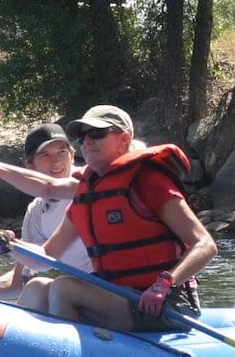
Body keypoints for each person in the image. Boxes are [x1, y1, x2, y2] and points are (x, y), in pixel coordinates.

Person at [22, 104, 219, 331]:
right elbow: (47, 254)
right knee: (37, 288)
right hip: (118, 296)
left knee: (64, 288)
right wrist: (10, 246)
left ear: (124, 139)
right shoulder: (88, 193)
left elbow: (205, 245)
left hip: (165, 303)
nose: (87, 141)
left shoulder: (148, 181)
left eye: (97, 133)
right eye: (82, 136)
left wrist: (164, 283)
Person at [0, 122, 90, 306]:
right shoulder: (36, 213)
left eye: (62, 152)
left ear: (72, 156)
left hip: (115, 291)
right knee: (35, 289)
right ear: (30, 166)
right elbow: (17, 282)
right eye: (46, 155)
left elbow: (50, 187)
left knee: (56, 288)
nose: (56, 161)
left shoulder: (87, 184)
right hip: (86, 292)